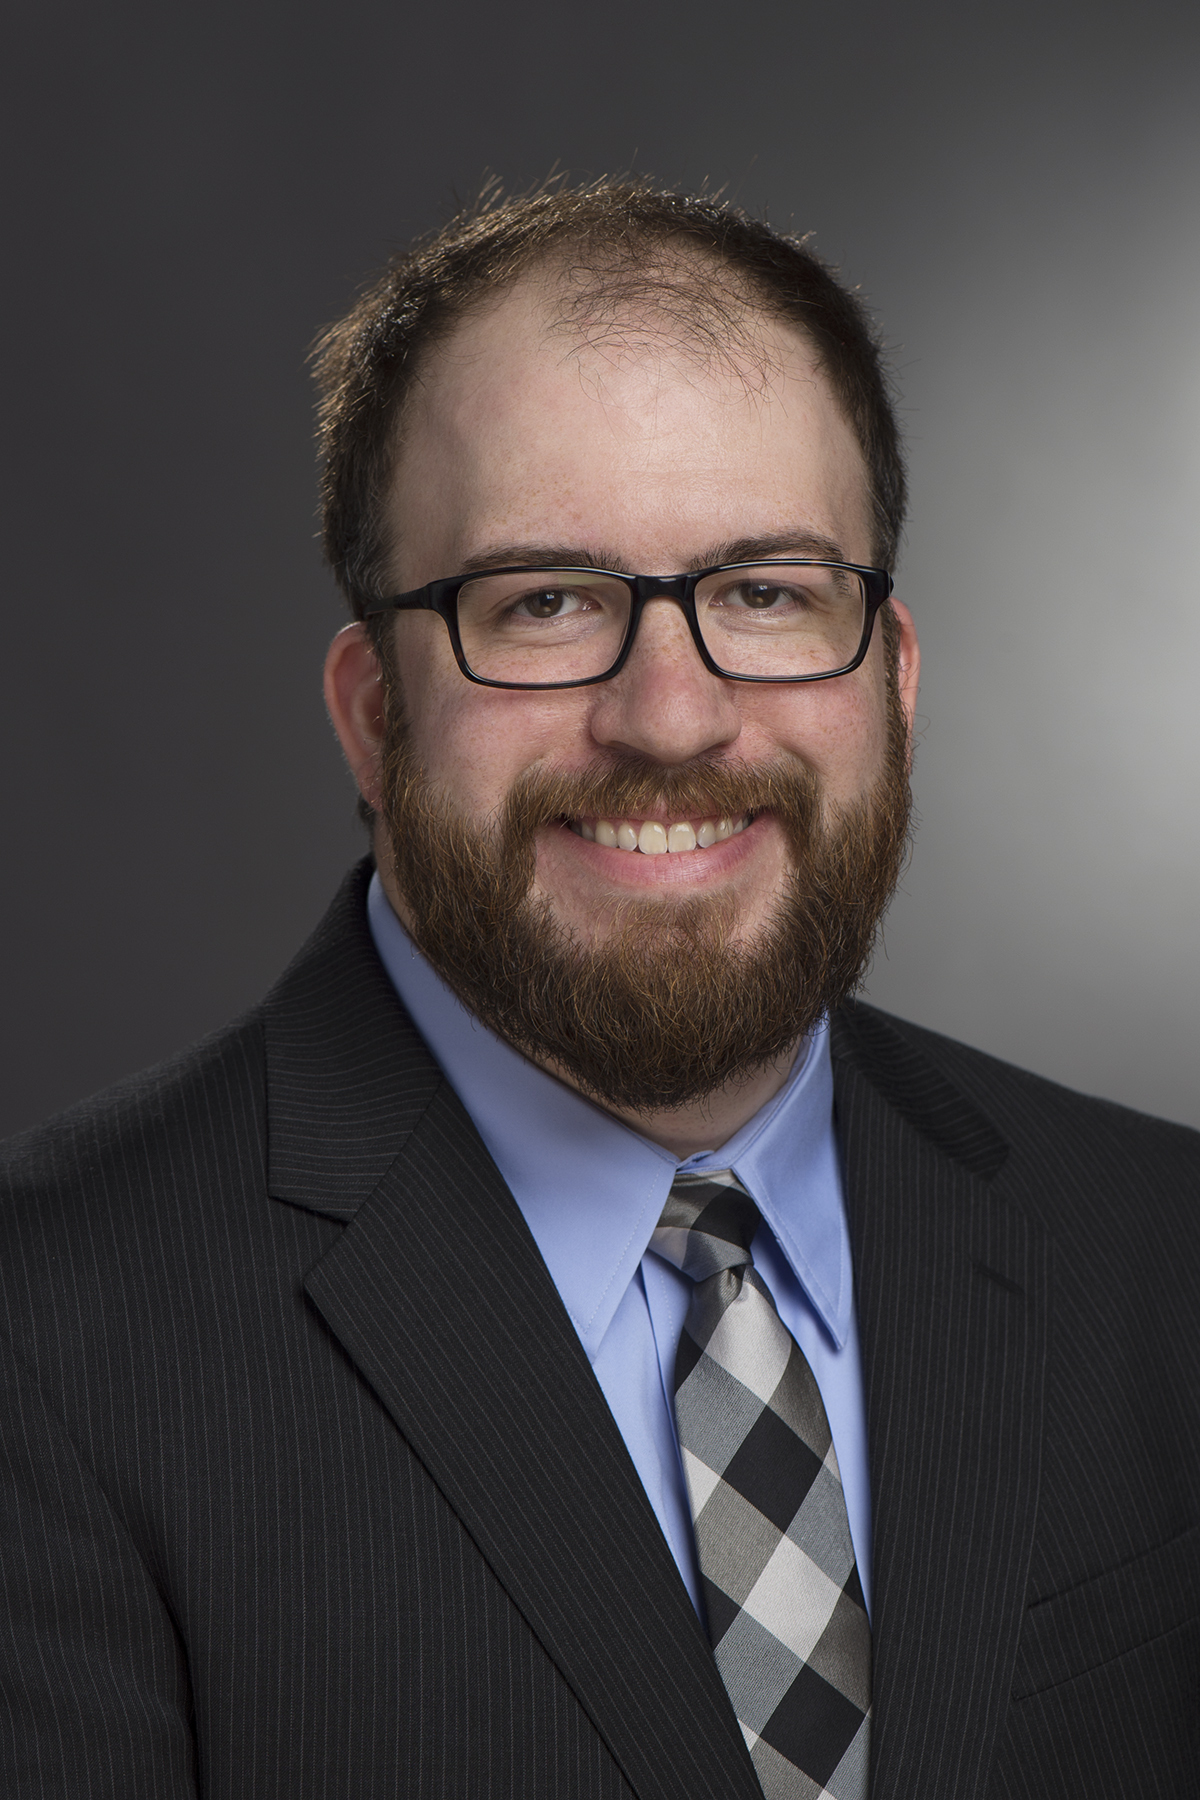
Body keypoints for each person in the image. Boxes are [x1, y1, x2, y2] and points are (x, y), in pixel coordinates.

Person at [1, 182, 1196, 1800]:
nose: (672, 716)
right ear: (371, 715)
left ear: (893, 681)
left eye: (768, 592)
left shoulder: (1160, 1251)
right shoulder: (50, 1343)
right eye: (545, 603)